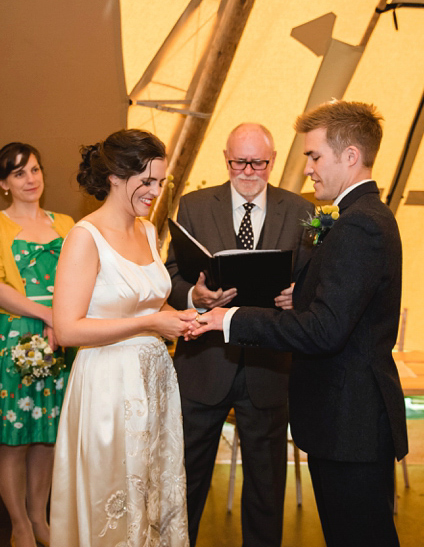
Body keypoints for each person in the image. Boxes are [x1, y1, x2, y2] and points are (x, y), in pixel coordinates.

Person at [192, 101, 407, 547]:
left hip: (351, 422)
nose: (307, 168)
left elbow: (323, 331)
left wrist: (230, 318)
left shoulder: (358, 226)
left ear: (349, 156)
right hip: (346, 421)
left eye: (314, 156)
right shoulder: (360, 217)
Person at [165, 122, 311, 546]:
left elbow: (312, 280)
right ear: (225, 159)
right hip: (203, 364)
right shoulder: (194, 205)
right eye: (238, 162)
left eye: (258, 163)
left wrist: (298, 296)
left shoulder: (300, 210)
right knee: (187, 481)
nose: (247, 171)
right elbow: (170, 275)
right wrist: (194, 293)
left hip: (269, 367)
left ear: (273, 161)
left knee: (266, 487)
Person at [48, 129, 195, 547]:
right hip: (108, 385)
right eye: (146, 181)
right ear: (114, 176)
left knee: (152, 487)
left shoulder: (147, 231)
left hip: (153, 381)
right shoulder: (84, 237)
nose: (154, 191)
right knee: (113, 494)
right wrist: (150, 324)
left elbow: (146, 303)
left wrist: (183, 316)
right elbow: (68, 328)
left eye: (160, 182)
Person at [0, 143, 76, 547]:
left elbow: (80, 277)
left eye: (34, 170)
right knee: (15, 436)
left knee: (48, 434)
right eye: (19, 174)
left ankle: (40, 517)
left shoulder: (65, 222)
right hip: (17, 336)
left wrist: (63, 320)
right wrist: (50, 315)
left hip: (61, 340)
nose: (30, 180)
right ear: (3, 183)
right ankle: (18, 523)